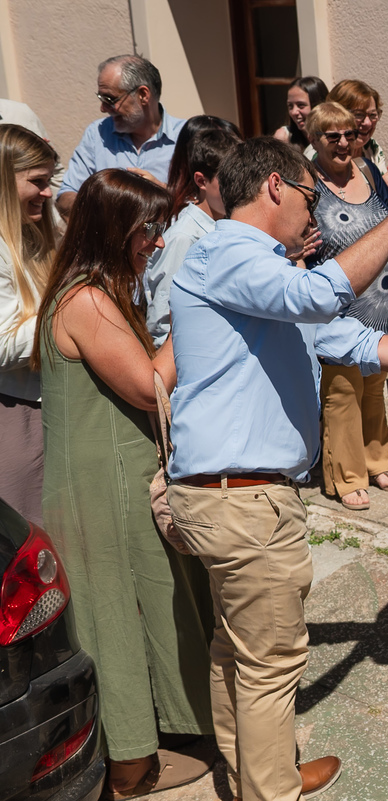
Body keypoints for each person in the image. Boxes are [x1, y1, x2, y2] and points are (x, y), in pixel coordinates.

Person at [165, 137, 388, 801]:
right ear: (275, 186)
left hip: (228, 498)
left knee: (235, 652)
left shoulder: (261, 275)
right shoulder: (231, 251)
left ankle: (254, 777)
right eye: (309, 199)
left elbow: (357, 342)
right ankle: (273, 790)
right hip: (242, 500)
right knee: (271, 666)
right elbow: (322, 294)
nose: (316, 215)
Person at [32, 169, 213, 799]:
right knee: (116, 616)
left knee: (163, 601)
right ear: (114, 230)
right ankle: (132, 766)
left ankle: (170, 735)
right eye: (148, 228)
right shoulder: (85, 300)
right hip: (102, 490)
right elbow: (149, 386)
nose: (157, 242)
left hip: (110, 479)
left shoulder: (96, 290)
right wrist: (196, 309)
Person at [307, 101, 388, 509]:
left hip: (384, 296)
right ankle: (347, 476)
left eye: (348, 135)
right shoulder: (307, 181)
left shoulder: (371, 170)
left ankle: (376, 460)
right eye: (331, 136)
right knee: (341, 390)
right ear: (313, 139)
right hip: (339, 301)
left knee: (375, 384)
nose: (342, 143)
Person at [0, 125, 60, 525]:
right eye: (37, 182)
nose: (49, 192)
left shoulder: (38, 234)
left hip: (52, 407)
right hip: (15, 416)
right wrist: (65, 313)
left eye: (49, 180)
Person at [144, 127, 242, 347]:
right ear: (201, 181)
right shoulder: (184, 238)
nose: (238, 190)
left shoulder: (232, 225)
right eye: (228, 181)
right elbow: (163, 323)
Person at [57, 55, 184, 218]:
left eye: (110, 99)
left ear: (143, 95)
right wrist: (108, 207)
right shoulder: (97, 133)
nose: (103, 108)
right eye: (101, 98)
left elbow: (208, 204)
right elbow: (65, 196)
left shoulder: (187, 138)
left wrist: (162, 193)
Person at [326, 79, 388, 173]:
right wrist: (384, 186)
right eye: (359, 115)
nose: (368, 123)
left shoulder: (371, 147)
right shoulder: (322, 152)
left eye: (372, 115)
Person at [274, 76, 328, 150]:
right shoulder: (284, 137)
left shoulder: (337, 136)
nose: (294, 112)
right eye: (290, 106)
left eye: (301, 105)